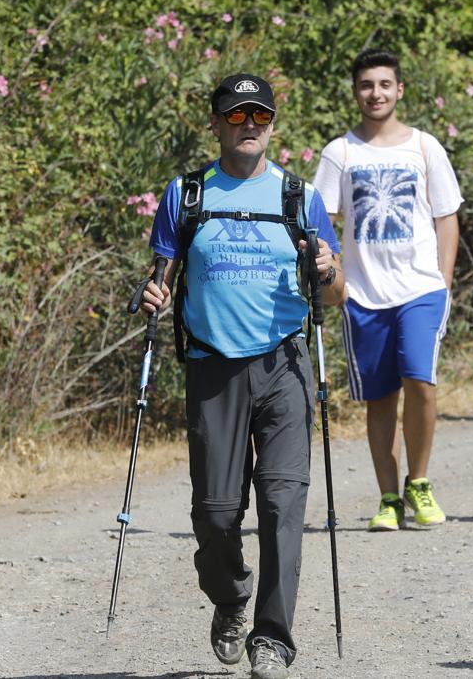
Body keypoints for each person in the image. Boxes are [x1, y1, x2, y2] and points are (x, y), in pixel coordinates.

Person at [137, 73, 344, 679]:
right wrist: (152, 295)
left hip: (283, 366)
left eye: (258, 116)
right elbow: (161, 275)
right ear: (216, 124)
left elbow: (334, 295)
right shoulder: (187, 193)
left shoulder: (298, 198)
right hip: (211, 368)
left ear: (272, 124)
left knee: (282, 504)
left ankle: (273, 638)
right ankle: (231, 600)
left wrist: (328, 268)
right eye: (235, 116)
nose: (248, 125)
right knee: (216, 514)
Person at [313, 48, 462, 532]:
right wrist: (333, 278)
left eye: (383, 84)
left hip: (420, 288)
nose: (374, 93)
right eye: (365, 85)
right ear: (355, 92)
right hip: (364, 294)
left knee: (420, 379)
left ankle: (419, 482)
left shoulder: (424, 146)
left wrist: (443, 281)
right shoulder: (341, 152)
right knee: (380, 399)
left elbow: (447, 217)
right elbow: (322, 222)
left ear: (399, 90)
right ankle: (389, 498)